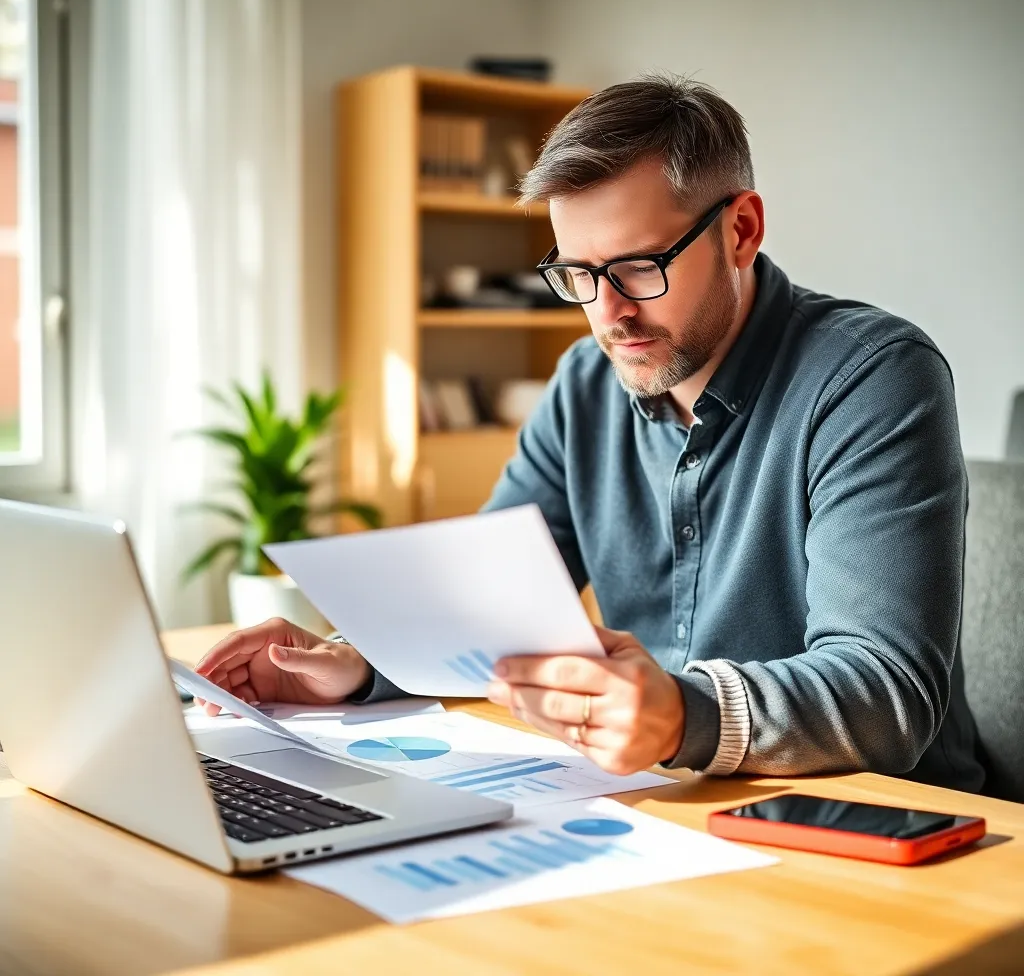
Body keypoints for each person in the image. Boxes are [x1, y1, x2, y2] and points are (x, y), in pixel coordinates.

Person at [195, 74, 984, 791]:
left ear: (741, 230)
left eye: (641, 266)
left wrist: (684, 714)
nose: (608, 313)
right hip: (674, 806)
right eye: (578, 274)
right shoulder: (585, 383)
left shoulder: (871, 378)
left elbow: (886, 692)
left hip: (885, 820)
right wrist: (352, 660)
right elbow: (486, 599)